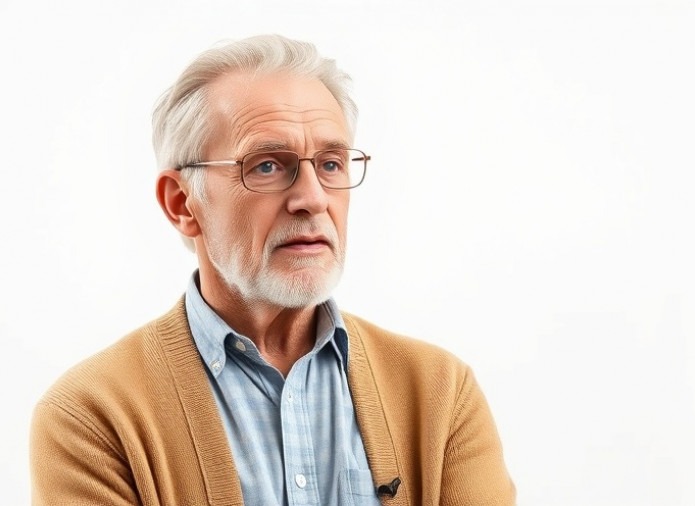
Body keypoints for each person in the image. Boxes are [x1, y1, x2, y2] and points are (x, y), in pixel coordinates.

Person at [30, 34, 515, 505]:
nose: (313, 199)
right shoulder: (91, 416)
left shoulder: (440, 393)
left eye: (331, 164)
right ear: (182, 203)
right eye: (267, 165)